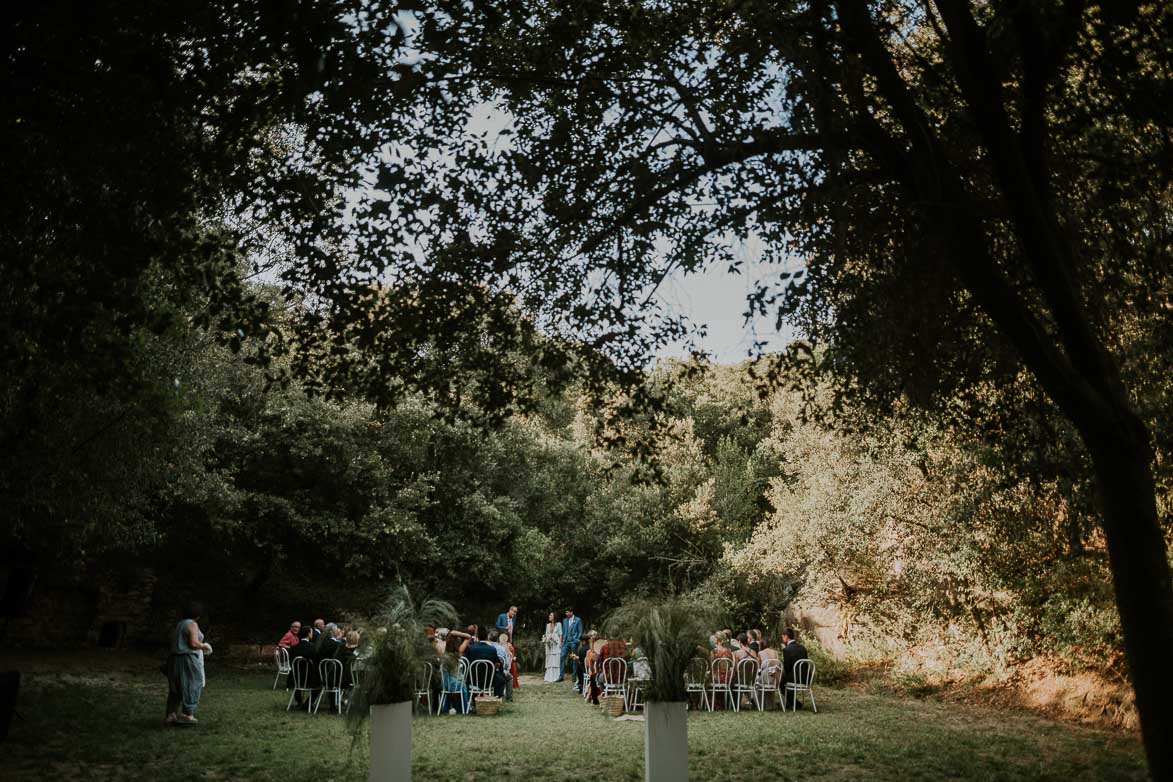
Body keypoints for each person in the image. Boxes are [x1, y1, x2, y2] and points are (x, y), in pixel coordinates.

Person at [164, 601, 212, 726]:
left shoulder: (179, 624)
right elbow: (193, 643)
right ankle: (187, 714)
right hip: (187, 660)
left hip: (174, 659)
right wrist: (205, 646)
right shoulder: (192, 624)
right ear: (198, 615)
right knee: (192, 684)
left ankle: (171, 714)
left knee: (176, 687)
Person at [465, 625, 507, 698]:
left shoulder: (471, 648)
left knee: (466, 679)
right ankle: (496, 699)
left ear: (477, 636)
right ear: (487, 636)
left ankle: (471, 700)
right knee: (502, 679)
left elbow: (466, 663)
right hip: (489, 681)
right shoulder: (492, 649)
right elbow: (498, 664)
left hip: (473, 680)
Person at [439, 630, 472, 714]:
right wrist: (455, 633)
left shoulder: (442, 651)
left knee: (449, 684)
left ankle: (446, 708)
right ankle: (463, 708)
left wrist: (450, 634)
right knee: (463, 685)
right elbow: (468, 636)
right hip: (457, 685)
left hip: (445, 685)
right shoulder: (459, 651)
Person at [781, 627, 810, 709]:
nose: (783, 639)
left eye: (783, 637)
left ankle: (795, 704)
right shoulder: (802, 648)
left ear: (786, 636)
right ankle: (792, 703)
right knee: (790, 676)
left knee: (780, 682)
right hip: (805, 677)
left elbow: (787, 668)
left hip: (795, 679)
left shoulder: (787, 649)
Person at [560, 607, 582, 683]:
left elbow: (580, 631)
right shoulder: (564, 620)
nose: (566, 614)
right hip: (566, 642)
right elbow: (564, 632)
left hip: (573, 642)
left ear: (571, 612)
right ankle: (561, 676)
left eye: (567, 612)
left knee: (574, 659)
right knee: (562, 657)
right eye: (566, 612)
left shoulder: (578, 620)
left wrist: (576, 640)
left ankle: (573, 677)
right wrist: (563, 641)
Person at [542, 611, 562, 682]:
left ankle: (556, 676)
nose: (549, 616)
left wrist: (560, 643)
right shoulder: (548, 625)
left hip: (556, 644)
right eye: (549, 615)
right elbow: (546, 634)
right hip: (549, 644)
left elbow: (560, 634)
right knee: (550, 659)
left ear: (554, 617)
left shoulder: (558, 624)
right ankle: (549, 676)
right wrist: (547, 638)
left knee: (556, 658)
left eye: (550, 615)